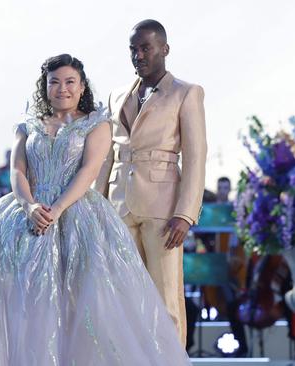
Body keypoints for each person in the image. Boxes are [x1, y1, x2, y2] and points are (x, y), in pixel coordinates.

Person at [0, 54, 190, 365]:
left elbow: (89, 171)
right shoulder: (27, 125)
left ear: (81, 87)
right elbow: (17, 171)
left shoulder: (97, 124)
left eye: (69, 82)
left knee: (79, 302)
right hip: (25, 214)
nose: (62, 88)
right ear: (45, 86)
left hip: (78, 215)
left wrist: (58, 208)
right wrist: (30, 206)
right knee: (21, 301)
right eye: (54, 82)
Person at [94, 19, 207, 346]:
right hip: (118, 205)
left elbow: (197, 156)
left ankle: (170, 358)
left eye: (145, 48)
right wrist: (95, 205)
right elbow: (107, 156)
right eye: (133, 49)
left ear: (164, 49)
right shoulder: (117, 94)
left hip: (164, 209)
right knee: (122, 292)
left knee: (165, 294)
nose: (138, 55)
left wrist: (186, 213)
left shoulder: (187, 93)